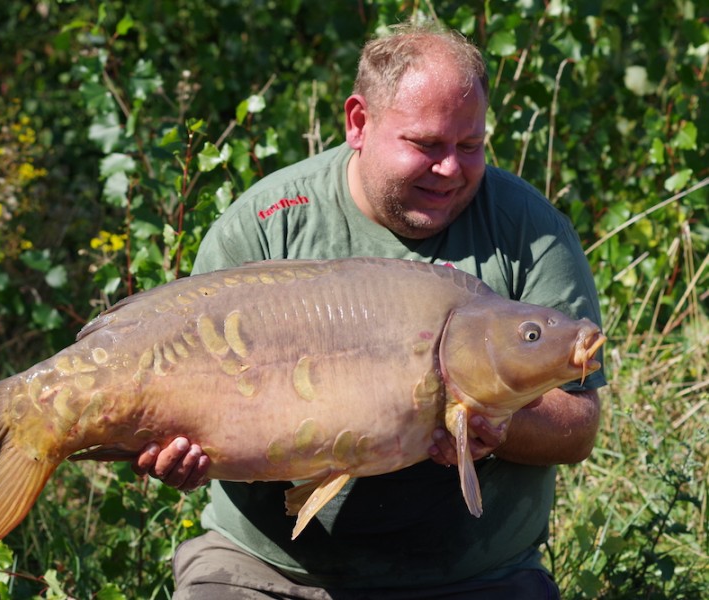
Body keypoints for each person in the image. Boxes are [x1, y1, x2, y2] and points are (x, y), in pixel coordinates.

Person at [131, 19, 606, 599]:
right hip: (268, 569)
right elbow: (178, 390)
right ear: (359, 122)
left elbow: (578, 426)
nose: (452, 169)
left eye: (471, 146)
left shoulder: (531, 231)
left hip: (472, 574)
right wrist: (171, 450)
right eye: (427, 145)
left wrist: (495, 423)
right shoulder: (266, 226)